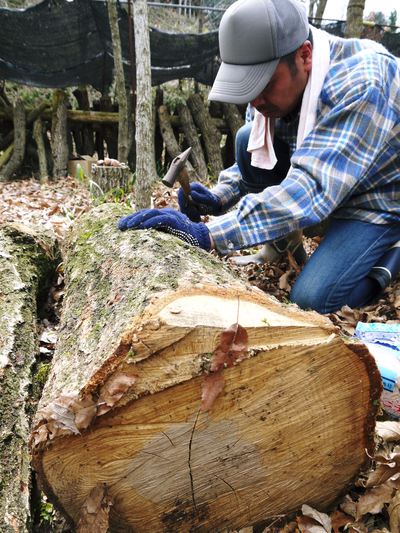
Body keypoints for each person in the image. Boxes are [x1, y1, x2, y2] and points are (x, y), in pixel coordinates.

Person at [118, 0, 400, 314]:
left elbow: (310, 190)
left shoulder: (362, 83)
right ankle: (282, 244)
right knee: (244, 138)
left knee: (313, 300)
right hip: (324, 179)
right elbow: (256, 152)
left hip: (376, 200)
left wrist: (208, 234)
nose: (256, 99)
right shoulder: (274, 75)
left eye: (264, 84)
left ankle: (388, 260)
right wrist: (218, 198)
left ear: (304, 55)